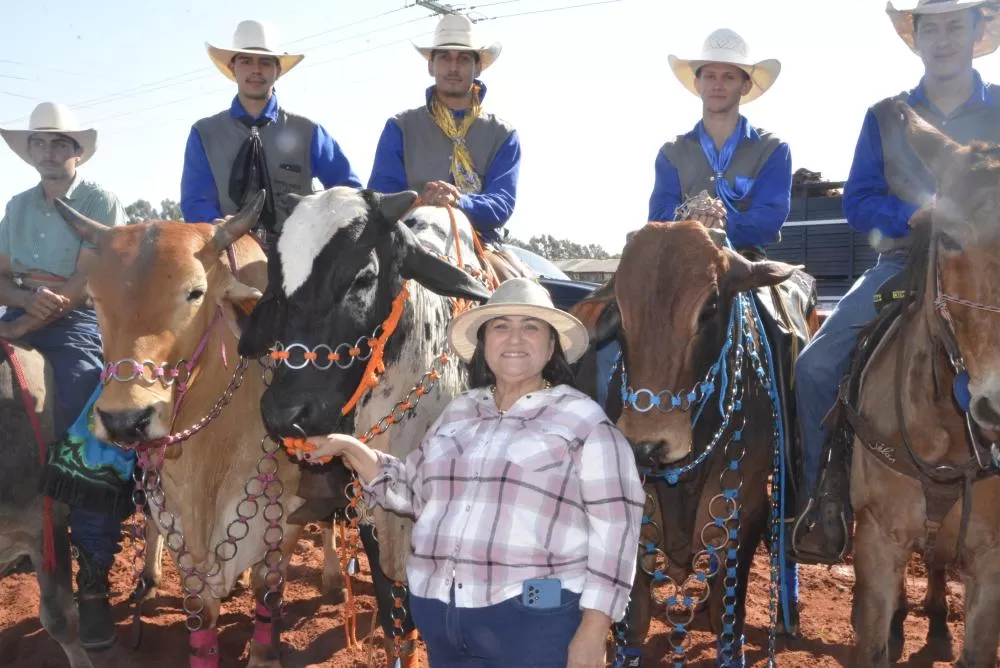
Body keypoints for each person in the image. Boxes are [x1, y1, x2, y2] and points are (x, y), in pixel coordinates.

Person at [299, 278, 645, 667]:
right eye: (501, 326)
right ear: (484, 343)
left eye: (531, 327)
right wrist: (351, 448)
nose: (515, 338)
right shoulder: (459, 411)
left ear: (552, 346)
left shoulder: (583, 420)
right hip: (442, 620)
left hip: (533, 619)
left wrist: (595, 628)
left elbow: (617, 527)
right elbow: (413, 489)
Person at [794, 0, 1000, 561]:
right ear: (916, 38)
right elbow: (858, 201)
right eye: (931, 28)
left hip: (988, 272)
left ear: (977, 31)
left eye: (954, 25)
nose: (942, 39)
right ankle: (822, 500)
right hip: (901, 264)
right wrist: (910, 215)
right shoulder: (885, 116)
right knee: (815, 368)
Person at [0, 101, 131, 650]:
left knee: (89, 417)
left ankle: (94, 575)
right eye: (40, 143)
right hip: (19, 311)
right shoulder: (18, 206)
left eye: (60, 143)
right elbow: (0, 273)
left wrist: (30, 318)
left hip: (76, 319)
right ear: (29, 152)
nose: (49, 152)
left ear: (77, 152)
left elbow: (89, 275)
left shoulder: (99, 200)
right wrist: (20, 305)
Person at [367, 14, 529, 279]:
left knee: (526, 295)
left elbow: (501, 203)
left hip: (480, 244)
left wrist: (460, 201)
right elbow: (381, 197)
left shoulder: (503, 134)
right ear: (431, 66)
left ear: (478, 67)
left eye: (463, 59)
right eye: (444, 57)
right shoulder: (400, 127)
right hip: (408, 239)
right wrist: (422, 202)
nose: (453, 67)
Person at [181, 19, 362, 241]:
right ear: (232, 68)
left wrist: (324, 227)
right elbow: (195, 202)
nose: (256, 70)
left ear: (278, 70)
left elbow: (350, 192)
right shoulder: (204, 134)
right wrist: (215, 224)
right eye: (246, 61)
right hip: (228, 253)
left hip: (300, 253)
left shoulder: (309, 132)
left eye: (265, 62)